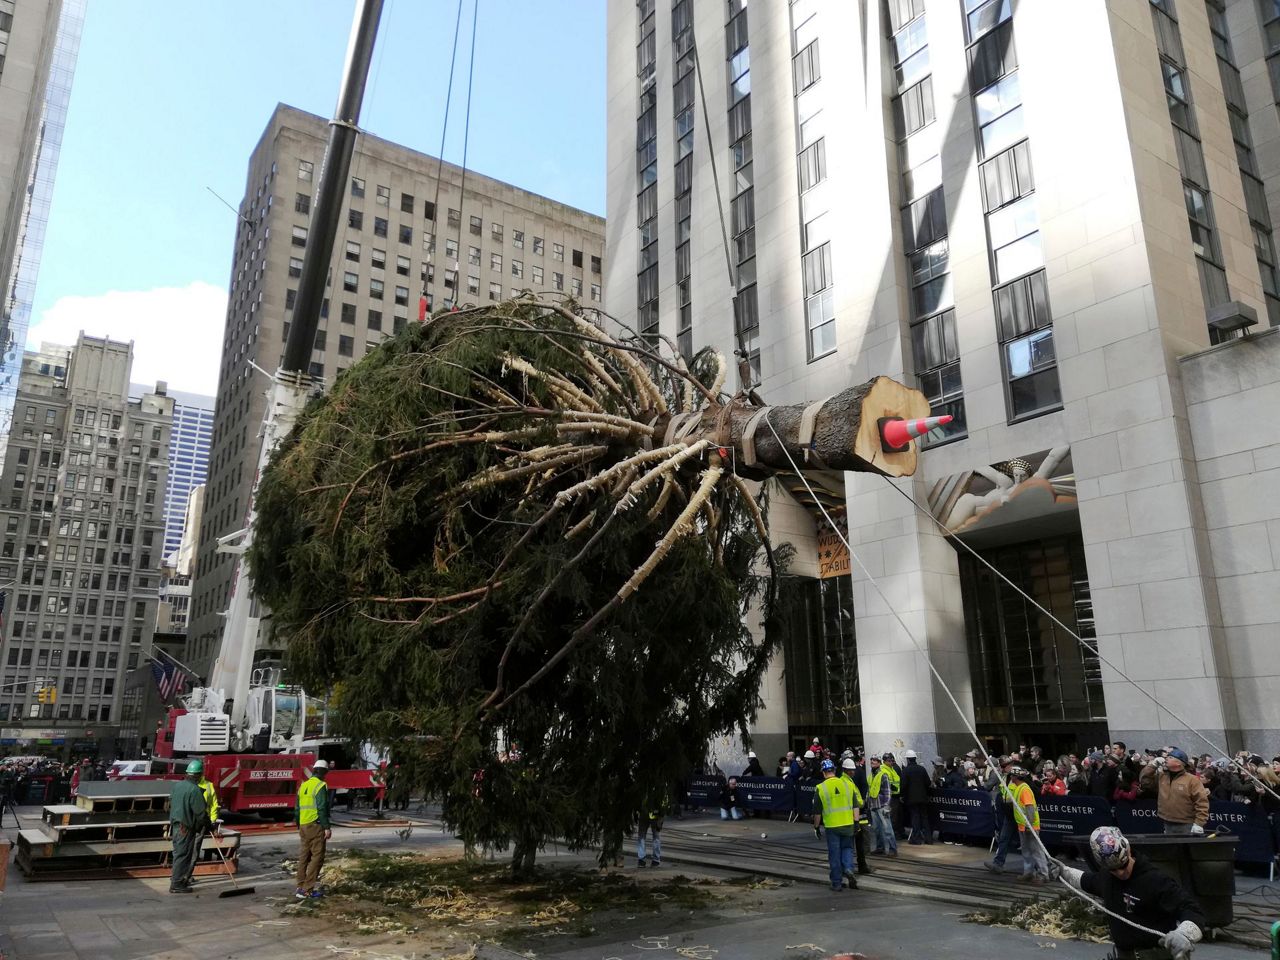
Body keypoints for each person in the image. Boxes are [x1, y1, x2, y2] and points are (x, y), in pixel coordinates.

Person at [1053, 826, 1206, 960]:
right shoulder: (1107, 879)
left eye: (1123, 865)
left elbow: (1192, 910)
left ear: (1129, 850)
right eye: (1114, 870)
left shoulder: (1155, 881)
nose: (1120, 872)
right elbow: (1086, 880)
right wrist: (1062, 871)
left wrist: (1184, 934)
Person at [812, 760, 858, 892]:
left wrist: (816, 827)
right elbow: (855, 806)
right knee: (847, 848)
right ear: (835, 770)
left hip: (832, 827)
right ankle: (848, 868)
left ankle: (836, 883)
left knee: (834, 854)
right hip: (848, 824)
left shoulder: (821, 788)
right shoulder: (847, 784)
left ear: (823, 772)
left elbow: (817, 812)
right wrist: (856, 822)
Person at [1140, 749, 1209, 835]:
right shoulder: (1162, 776)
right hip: (1167, 822)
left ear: (1179, 763)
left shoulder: (1192, 780)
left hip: (1187, 824)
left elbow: (1202, 802)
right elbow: (1145, 782)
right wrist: (1152, 766)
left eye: (1170, 757)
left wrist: (1199, 823)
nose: (1166, 758)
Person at [169, 760, 207, 895]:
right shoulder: (194, 789)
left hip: (176, 824)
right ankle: (177, 884)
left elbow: (171, 802)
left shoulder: (178, 786)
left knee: (178, 853)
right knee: (183, 855)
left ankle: (178, 880)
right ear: (198, 775)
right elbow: (200, 813)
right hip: (185, 826)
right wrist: (207, 824)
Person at [296, 759, 333, 899]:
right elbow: (322, 807)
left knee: (304, 856)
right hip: (315, 825)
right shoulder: (320, 785)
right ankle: (308, 890)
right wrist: (326, 827)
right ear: (324, 772)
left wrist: (299, 825)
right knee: (317, 857)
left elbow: (297, 808)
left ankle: (300, 887)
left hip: (303, 825)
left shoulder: (303, 785)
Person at [1008, 767, 1047, 884]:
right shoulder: (1018, 788)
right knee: (1026, 851)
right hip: (1023, 825)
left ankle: (1043, 874)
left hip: (1030, 826)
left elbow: (1029, 808)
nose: (1010, 777)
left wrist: (1029, 825)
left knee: (1036, 851)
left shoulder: (1024, 789)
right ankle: (1029, 872)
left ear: (1015, 777)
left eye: (1011, 775)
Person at [187, 760, 221, 886]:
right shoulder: (187, 785)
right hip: (187, 823)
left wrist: (212, 822)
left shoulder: (208, 786)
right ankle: (180, 874)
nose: (193, 776)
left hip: (201, 823)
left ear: (200, 774)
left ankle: (187, 875)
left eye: (195, 774)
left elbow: (213, 806)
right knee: (184, 850)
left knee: (194, 851)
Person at [840, 758, 872, 875]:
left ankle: (845, 867)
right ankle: (860, 866)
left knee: (846, 845)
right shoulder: (850, 784)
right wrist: (863, 803)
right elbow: (859, 802)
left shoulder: (840, 781)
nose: (853, 772)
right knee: (858, 843)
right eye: (852, 770)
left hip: (844, 818)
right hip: (855, 817)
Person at [865, 755, 897, 857]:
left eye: (875, 760)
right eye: (871, 760)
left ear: (879, 763)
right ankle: (880, 848)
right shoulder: (871, 775)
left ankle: (892, 849)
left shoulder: (883, 775)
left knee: (887, 829)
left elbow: (888, 792)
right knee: (876, 829)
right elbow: (869, 790)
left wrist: (887, 806)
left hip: (882, 806)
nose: (872, 762)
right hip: (873, 805)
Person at [900, 750, 932, 845]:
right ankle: (928, 839)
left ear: (908, 759)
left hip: (911, 799)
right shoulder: (922, 769)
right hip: (923, 798)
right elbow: (928, 783)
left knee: (915, 817)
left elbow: (903, 785)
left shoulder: (906, 771)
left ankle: (916, 838)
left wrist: (902, 795)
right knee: (924, 817)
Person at [636, 800, 664, 868]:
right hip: (652, 814)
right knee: (655, 837)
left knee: (642, 837)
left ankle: (642, 860)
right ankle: (655, 860)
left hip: (649, 813)